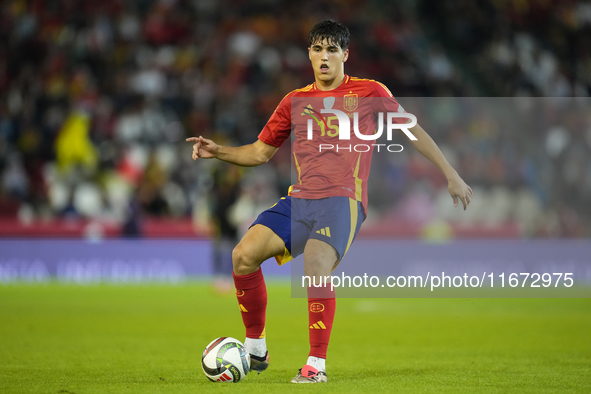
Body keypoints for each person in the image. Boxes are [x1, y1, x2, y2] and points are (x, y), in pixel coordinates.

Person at [187, 19, 472, 383]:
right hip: (300, 200)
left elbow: (412, 130)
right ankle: (255, 346)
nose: (324, 57)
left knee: (316, 265)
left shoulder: (370, 92)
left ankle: (315, 365)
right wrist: (219, 151)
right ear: (309, 53)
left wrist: (450, 173)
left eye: (332, 50)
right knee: (242, 256)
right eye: (318, 49)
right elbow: (260, 153)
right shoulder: (294, 101)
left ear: (345, 54)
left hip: (343, 201)